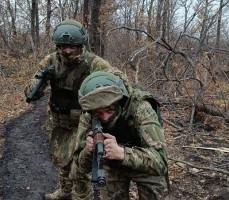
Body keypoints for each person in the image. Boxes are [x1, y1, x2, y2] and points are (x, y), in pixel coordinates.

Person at [24, 19, 130, 200]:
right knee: (62, 160)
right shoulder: (51, 61)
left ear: (81, 45)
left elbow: (120, 83)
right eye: (63, 47)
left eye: (72, 47)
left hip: (84, 123)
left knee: (80, 166)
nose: (67, 51)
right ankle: (65, 191)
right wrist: (41, 79)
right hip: (59, 121)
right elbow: (30, 94)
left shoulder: (93, 63)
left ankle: (81, 196)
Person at [73, 71, 169, 200]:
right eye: (98, 113)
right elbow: (80, 167)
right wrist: (89, 151)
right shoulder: (88, 116)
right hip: (113, 164)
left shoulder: (140, 108)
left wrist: (122, 153)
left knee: (155, 192)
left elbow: (161, 162)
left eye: (109, 110)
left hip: (145, 164)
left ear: (120, 102)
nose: (105, 118)